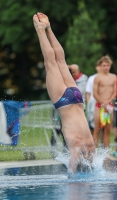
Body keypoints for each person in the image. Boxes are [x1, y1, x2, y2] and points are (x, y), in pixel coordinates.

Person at [33, 12, 95, 173]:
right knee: (51, 63)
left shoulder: (90, 147)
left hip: (77, 99)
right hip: (64, 102)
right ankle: (41, 29)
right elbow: (72, 172)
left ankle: (48, 28)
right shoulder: (77, 148)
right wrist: (72, 173)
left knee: (60, 61)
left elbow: (93, 165)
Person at [93, 55, 117, 148]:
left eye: (107, 65)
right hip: (99, 106)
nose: (106, 67)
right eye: (104, 65)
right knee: (97, 130)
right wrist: (103, 103)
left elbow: (115, 92)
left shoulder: (113, 77)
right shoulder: (98, 77)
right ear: (101, 66)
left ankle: (106, 152)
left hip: (109, 106)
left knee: (107, 130)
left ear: (110, 66)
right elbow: (95, 93)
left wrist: (108, 102)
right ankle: (94, 153)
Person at [85, 62, 101, 134]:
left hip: (103, 104)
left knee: (102, 126)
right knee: (92, 126)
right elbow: (88, 93)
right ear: (96, 67)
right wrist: (89, 104)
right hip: (93, 104)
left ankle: (103, 145)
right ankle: (93, 144)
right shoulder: (91, 78)